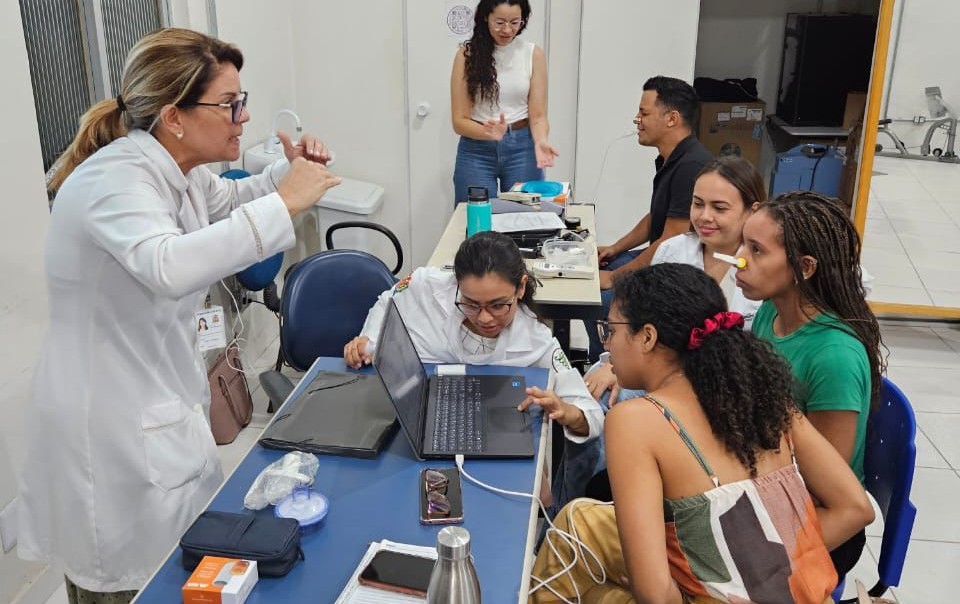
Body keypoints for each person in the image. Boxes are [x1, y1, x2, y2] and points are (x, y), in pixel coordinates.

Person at [18, 28, 340, 602]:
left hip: (156, 406)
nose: (243, 116)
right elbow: (166, 264)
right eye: (229, 104)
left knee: (176, 569)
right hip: (107, 431)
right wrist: (288, 200)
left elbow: (231, 201)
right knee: (126, 584)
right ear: (174, 116)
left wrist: (284, 176)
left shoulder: (180, 171)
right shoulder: (114, 180)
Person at [529, 264, 874, 604]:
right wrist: (766, 570)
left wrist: (718, 583)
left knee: (596, 589)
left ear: (647, 337)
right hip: (804, 592)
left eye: (612, 331)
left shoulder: (635, 420)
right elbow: (855, 508)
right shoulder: (763, 393)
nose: (609, 345)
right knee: (580, 521)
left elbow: (655, 594)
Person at [736, 191, 886, 578]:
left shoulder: (833, 355)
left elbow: (825, 478)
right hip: (770, 480)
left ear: (804, 267)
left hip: (820, 517)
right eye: (743, 244)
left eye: (756, 250)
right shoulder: (771, 311)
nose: (739, 259)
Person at [344, 231, 602, 447]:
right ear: (455, 284)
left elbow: (592, 416)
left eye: (499, 305)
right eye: (470, 303)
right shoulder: (426, 285)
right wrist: (368, 338)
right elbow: (387, 301)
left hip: (487, 428)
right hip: (411, 412)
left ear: (521, 287)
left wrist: (567, 412)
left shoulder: (536, 340)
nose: (485, 318)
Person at [585, 156, 765, 405]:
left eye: (719, 208)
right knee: (593, 391)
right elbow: (640, 322)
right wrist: (613, 365)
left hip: (725, 389)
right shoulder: (673, 251)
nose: (704, 216)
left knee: (622, 403)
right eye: (698, 204)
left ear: (752, 211)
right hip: (658, 371)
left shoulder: (762, 270)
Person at [587, 76, 713, 360]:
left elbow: (672, 240)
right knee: (596, 268)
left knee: (599, 300)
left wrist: (615, 279)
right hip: (660, 255)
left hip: (677, 271)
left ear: (672, 118)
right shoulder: (672, 158)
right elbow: (656, 217)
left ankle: (609, 367)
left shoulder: (691, 165)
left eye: (644, 113)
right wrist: (616, 248)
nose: (637, 119)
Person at [450, 0, 558, 204]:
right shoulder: (467, 55)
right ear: (486, 18)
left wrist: (541, 140)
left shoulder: (533, 54)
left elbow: (538, 116)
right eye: (499, 22)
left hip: (522, 146)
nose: (507, 30)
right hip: (476, 149)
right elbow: (459, 120)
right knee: (475, 219)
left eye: (514, 22)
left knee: (525, 219)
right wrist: (488, 132)